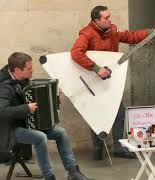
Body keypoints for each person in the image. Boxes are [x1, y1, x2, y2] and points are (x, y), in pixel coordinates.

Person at [71, 5, 155, 160]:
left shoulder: (112, 31)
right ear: (96, 20)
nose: (110, 20)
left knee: (119, 113)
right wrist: (95, 68)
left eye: (109, 16)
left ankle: (118, 148)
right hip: (93, 82)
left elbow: (130, 36)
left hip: (108, 82)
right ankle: (97, 148)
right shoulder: (86, 34)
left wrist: (151, 32)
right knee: (96, 115)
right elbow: (76, 53)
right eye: (106, 18)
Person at [0, 52, 92, 180]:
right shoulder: (4, 87)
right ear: (17, 70)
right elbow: (2, 111)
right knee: (40, 137)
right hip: (10, 130)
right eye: (29, 68)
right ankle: (49, 177)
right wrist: (26, 108)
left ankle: (73, 172)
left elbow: (35, 98)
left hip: (28, 123)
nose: (32, 71)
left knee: (61, 133)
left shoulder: (22, 80)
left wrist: (54, 100)